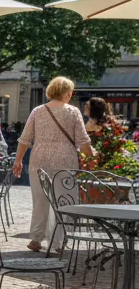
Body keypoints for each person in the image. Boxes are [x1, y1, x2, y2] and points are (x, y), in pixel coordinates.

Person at [13, 76, 94, 253]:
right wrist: (93, 155)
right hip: (65, 160)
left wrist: (18, 160)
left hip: (39, 159)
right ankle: (59, 241)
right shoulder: (73, 112)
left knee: (40, 199)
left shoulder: (37, 111)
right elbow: (83, 140)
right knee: (63, 200)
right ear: (67, 93)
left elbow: (25, 139)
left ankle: (36, 238)